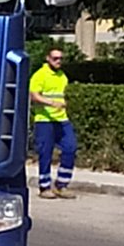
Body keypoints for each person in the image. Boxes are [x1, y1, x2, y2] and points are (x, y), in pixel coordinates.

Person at [29, 47, 77, 199]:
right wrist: (51, 103)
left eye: (60, 58)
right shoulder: (40, 75)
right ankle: (44, 187)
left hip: (61, 119)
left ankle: (61, 185)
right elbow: (34, 96)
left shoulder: (62, 76)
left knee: (71, 147)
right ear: (48, 59)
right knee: (45, 153)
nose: (58, 61)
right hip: (44, 120)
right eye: (55, 58)